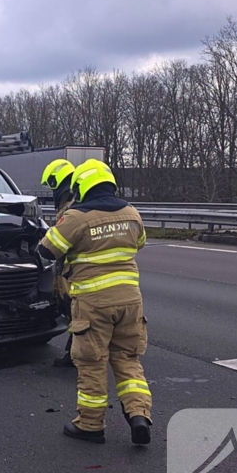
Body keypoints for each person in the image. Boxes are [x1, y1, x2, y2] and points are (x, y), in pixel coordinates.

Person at [37, 159, 152, 445]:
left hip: (93, 302)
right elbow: (139, 243)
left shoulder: (76, 217)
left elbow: (47, 250)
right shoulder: (131, 212)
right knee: (127, 360)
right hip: (130, 300)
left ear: (81, 186)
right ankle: (139, 415)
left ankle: (90, 425)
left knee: (92, 363)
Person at [40, 159, 76, 368]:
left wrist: (42, 246)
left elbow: (53, 248)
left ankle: (75, 355)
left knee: (76, 313)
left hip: (76, 274)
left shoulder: (71, 210)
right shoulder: (78, 200)